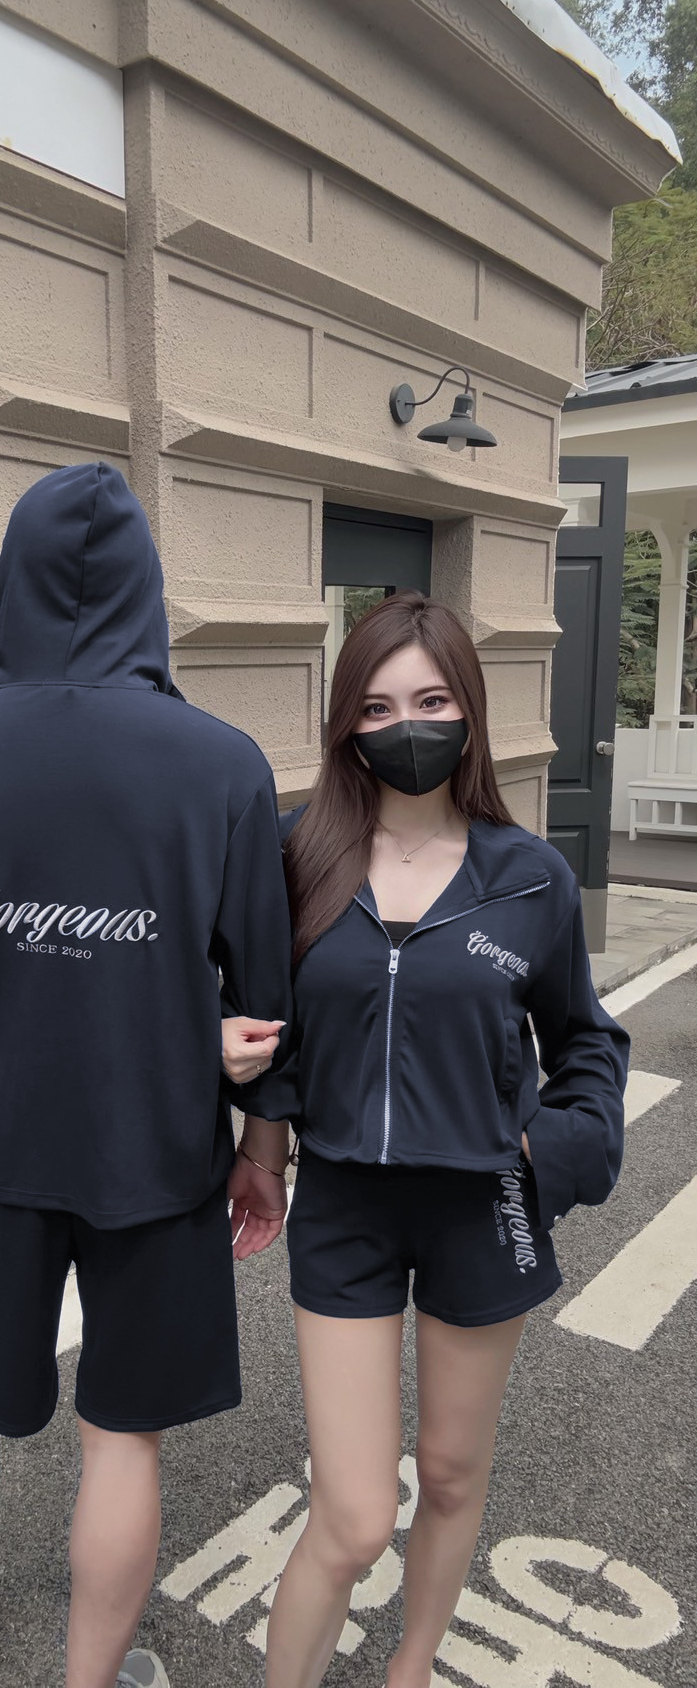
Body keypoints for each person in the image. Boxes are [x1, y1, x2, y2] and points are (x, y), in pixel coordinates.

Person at [0, 462, 292, 1688]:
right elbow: (263, 996)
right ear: (146, 595)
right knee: (123, 1432)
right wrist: (262, 1146)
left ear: (11, 586)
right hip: (156, 1146)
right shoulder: (221, 765)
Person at [229, 591, 629, 1688]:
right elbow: (254, 1009)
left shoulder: (529, 875)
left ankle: (412, 1667)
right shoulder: (295, 857)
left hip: (483, 1206)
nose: (406, 725)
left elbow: (586, 1041)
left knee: (450, 1473)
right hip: (346, 1206)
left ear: (470, 712)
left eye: (432, 700)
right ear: (345, 723)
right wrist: (255, 1127)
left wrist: (553, 1151)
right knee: (355, 1515)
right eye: (376, 705)